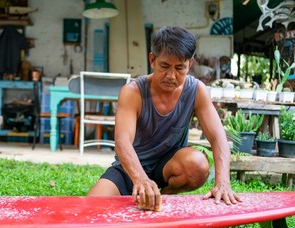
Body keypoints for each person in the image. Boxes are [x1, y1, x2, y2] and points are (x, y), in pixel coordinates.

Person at [87, 26, 241, 210]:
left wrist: (223, 182)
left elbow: (218, 138)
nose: (171, 76)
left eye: (179, 68)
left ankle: (165, 196)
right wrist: (141, 179)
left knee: (197, 164)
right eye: (165, 66)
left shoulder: (197, 90)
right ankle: (145, 191)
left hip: (169, 166)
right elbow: (122, 142)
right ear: (152, 59)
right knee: (92, 208)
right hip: (132, 168)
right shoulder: (132, 91)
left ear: (189, 64)